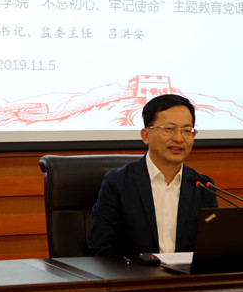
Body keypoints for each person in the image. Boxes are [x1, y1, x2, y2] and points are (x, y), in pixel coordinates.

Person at [88, 94, 218, 258]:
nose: (179, 138)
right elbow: (101, 250)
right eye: (169, 129)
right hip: (135, 273)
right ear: (145, 135)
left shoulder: (202, 187)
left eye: (187, 131)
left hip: (186, 274)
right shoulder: (118, 183)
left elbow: (211, 248)